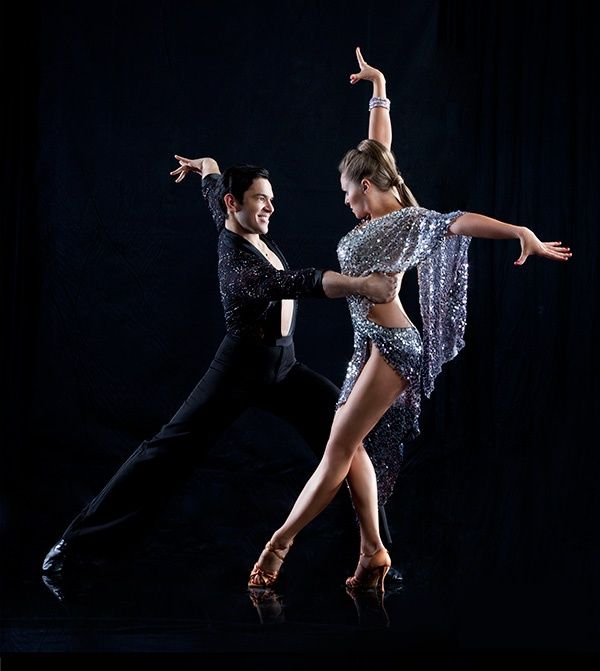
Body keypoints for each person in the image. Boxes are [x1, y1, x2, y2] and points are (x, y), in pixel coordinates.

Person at [247, 48, 572, 592]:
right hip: (370, 344)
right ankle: (374, 552)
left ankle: (279, 544)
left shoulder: (404, 221)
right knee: (350, 454)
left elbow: (458, 221)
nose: (348, 204)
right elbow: (379, 148)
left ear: (368, 190)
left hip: (395, 347)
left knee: (337, 451)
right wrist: (379, 88)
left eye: (350, 196)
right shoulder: (382, 189)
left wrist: (519, 232)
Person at [41, 155, 404, 588]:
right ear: (235, 203)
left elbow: (214, 184)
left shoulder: (228, 209)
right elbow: (298, 282)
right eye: (260, 200)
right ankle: (75, 546)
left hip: (284, 369)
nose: (270, 207)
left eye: (271, 199)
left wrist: (206, 166)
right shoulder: (237, 265)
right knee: (165, 452)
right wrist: (362, 285)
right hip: (239, 371)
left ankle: (375, 552)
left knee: (346, 440)